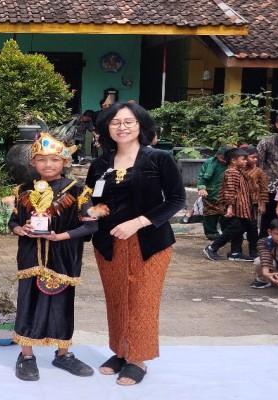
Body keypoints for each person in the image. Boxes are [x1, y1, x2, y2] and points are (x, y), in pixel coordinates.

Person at [85, 102, 186, 386]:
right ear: (107, 128)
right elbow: (93, 203)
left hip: (150, 243)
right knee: (116, 298)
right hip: (108, 243)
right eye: (115, 122)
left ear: (140, 125)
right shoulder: (100, 164)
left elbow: (177, 199)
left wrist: (139, 222)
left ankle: (137, 359)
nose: (122, 127)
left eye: (129, 121)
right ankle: (120, 351)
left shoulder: (159, 158)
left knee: (142, 301)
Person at [9, 132, 98, 381]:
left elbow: (91, 225)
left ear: (65, 162)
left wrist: (61, 236)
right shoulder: (23, 189)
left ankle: (63, 354)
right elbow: (13, 221)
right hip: (30, 257)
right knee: (27, 304)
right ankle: (26, 356)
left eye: (54, 159)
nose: (48, 164)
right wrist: (20, 229)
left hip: (64, 257)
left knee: (62, 306)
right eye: (41, 159)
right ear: (33, 162)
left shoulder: (78, 190)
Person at [204, 148, 254, 262]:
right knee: (235, 228)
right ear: (233, 160)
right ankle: (212, 248)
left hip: (241, 207)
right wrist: (229, 207)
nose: (246, 161)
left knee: (240, 229)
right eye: (243, 159)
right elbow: (230, 191)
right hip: (236, 207)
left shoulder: (237, 171)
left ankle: (235, 252)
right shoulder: (232, 172)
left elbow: (223, 189)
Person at [197, 146, 231, 241]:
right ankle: (211, 233)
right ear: (218, 155)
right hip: (211, 192)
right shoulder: (210, 163)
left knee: (226, 215)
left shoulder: (232, 164)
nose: (224, 160)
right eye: (223, 158)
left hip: (227, 194)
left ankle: (227, 233)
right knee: (210, 215)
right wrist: (202, 188)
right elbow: (202, 177)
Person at [243, 146, 268, 258]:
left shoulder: (258, 171)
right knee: (238, 226)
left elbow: (264, 189)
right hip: (239, 203)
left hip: (253, 203)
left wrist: (262, 204)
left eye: (256, 157)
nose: (255, 160)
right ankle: (236, 250)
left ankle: (253, 250)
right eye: (252, 157)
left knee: (252, 227)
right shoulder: (237, 170)